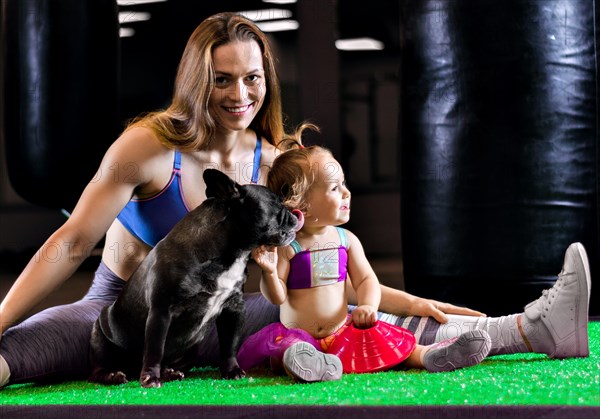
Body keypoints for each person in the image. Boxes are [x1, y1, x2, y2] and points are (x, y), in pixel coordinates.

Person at [0, 12, 590, 388]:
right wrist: (1, 317)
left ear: (268, 80)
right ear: (195, 80)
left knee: (335, 313)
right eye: (222, 78)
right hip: (128, 315)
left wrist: (404, 298)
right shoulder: (149, 147)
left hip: (221, 316)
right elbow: (72, 239)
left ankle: (534, 326)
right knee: (24, 347)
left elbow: (323, 265)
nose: (240, 93)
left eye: (252, 77)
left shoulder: (273, 161)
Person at [237, 145, 493, 382]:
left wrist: (369, 306)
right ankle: (309, 363)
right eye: (334, 188)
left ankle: (428, 355)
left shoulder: (345, 240)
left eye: (344, 184)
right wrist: (269, 273)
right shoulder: (288, 247)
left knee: (385, 338)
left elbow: (365, 280)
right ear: (300, 203)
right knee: (288, 349)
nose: (347, 192)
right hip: (297, 334)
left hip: (342, 331)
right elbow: (276, 297)